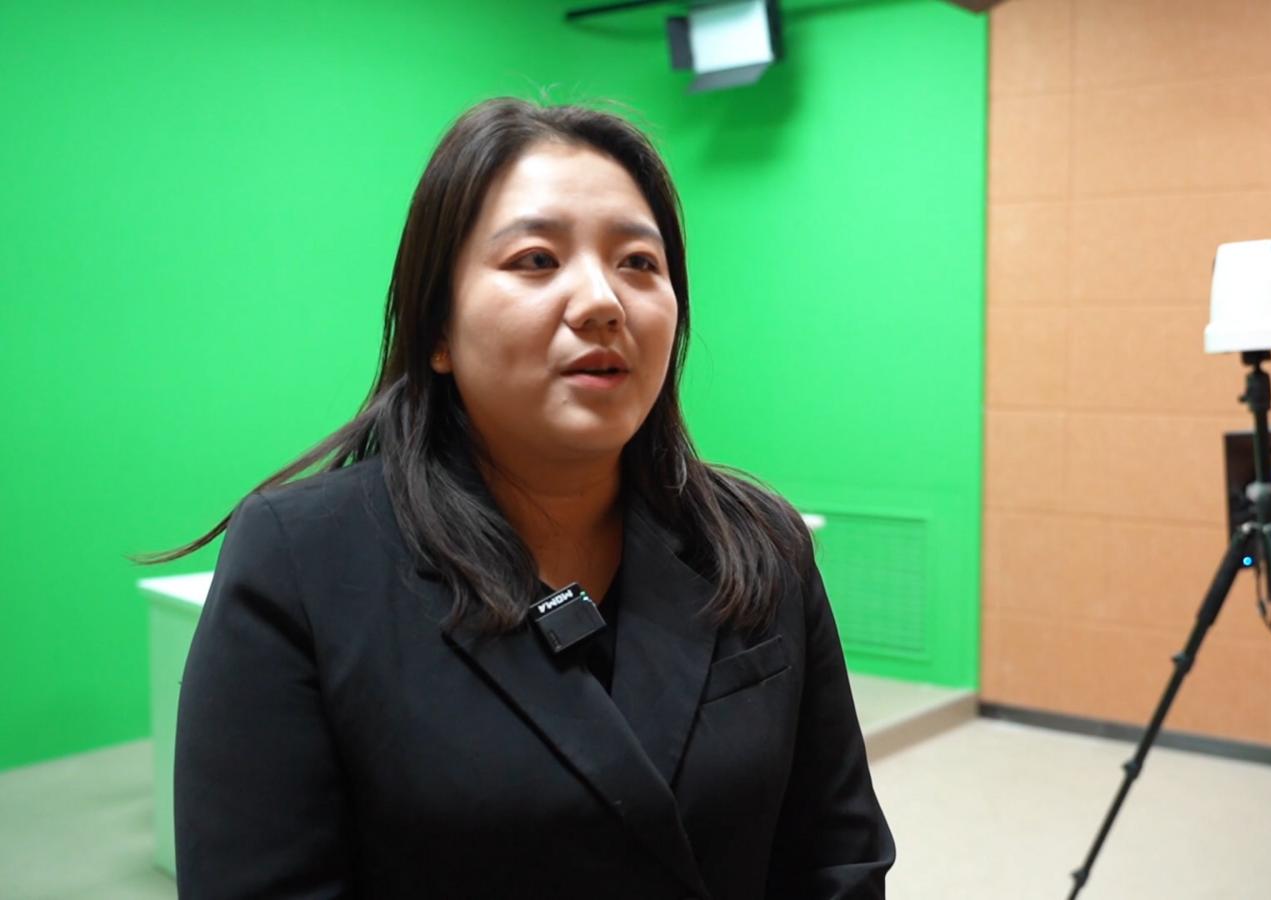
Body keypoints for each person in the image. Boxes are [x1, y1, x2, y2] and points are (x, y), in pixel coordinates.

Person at [162, 98, 894, 899]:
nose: (602, 301)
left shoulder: (760, 541)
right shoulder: (301, 560)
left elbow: (838, 858)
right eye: (537, 260)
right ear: (437, 331)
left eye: (639, 263)